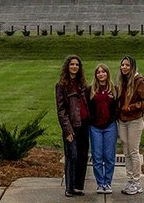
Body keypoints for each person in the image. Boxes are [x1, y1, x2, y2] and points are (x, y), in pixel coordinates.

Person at [116, 55, 144, 195]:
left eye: (127, 65)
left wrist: (130, 107)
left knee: (133, 151)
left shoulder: (138, 81)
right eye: (122, 65)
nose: (124, 67)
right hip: (122, 121)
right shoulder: (122, 81)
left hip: (134, 121)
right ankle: (130, 179)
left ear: (132, 67)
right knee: (126, 152)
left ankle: (136, 182)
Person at [55, 54, 90, 197]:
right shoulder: (61, 85)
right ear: (67, 67)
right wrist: (67, 130)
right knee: (72, 156)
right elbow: (61, 110)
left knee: (82, 156)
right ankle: (69, 187)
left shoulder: (82, 84)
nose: (74, 67)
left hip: (84, 124)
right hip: (72, 126)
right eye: (72, 64)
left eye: (77, 64)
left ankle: (77, 186)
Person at [87, 63, 119, 194]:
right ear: (96, 75)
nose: (101, 74)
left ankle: (108, 183)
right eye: (98, 72)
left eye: (103, 72)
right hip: (95, 127)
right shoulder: (91, 90)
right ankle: (100, 183)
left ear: (107, 73)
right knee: (97, 156)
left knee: (110, 156)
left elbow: (117, 107)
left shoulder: (114, 89)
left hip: (110, 126)